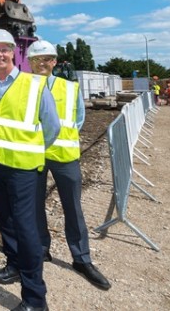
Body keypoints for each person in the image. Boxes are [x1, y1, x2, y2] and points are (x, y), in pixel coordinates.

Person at [0, 29, 60, 311]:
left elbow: (52, 127)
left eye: (5, 49)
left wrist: (31, 150)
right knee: (5, 222)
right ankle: (13, 266)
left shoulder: (35, 84)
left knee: (26, 230)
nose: (0, 54)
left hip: (24, 171)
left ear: (14, 52)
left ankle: (35, 298)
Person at [28, 40, 111, 291]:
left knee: (73, 208)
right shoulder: (24, 87)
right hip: (34, 156)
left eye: (47, 58)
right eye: (36, 59)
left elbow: (77, 120)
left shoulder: (70, 88)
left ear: (54, 61)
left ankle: (81, 259)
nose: (42, 63)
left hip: (65, 156)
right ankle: (42, 249)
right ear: (29, 62)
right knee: (33, 206)